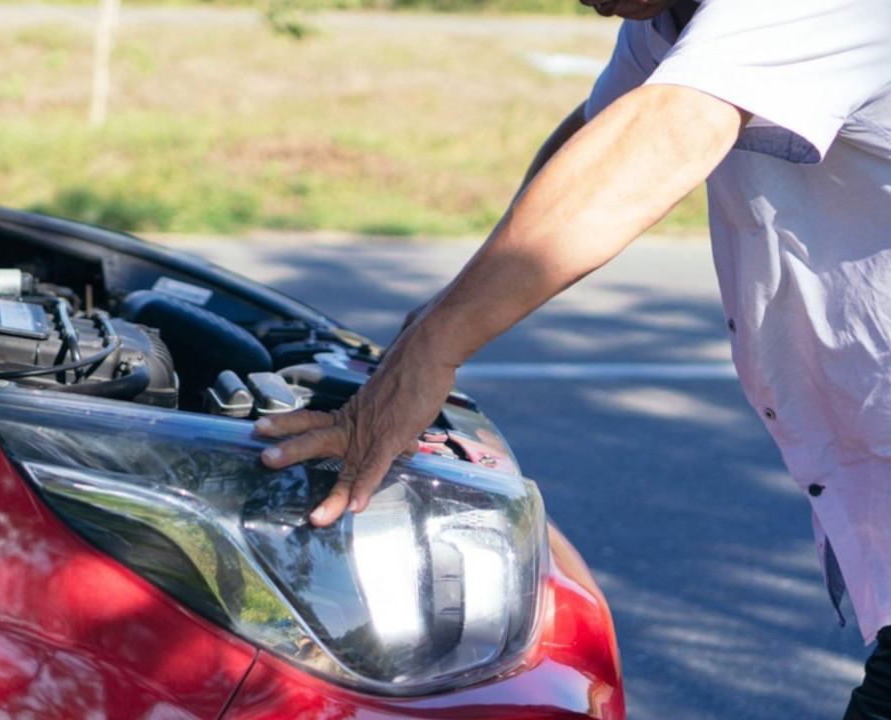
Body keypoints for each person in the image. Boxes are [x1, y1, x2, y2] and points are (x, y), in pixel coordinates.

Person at [254, 0, 891, 716]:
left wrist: (434, 349)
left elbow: (669, 128)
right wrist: (439, 318)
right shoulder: (666, 22)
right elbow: (600, 132)